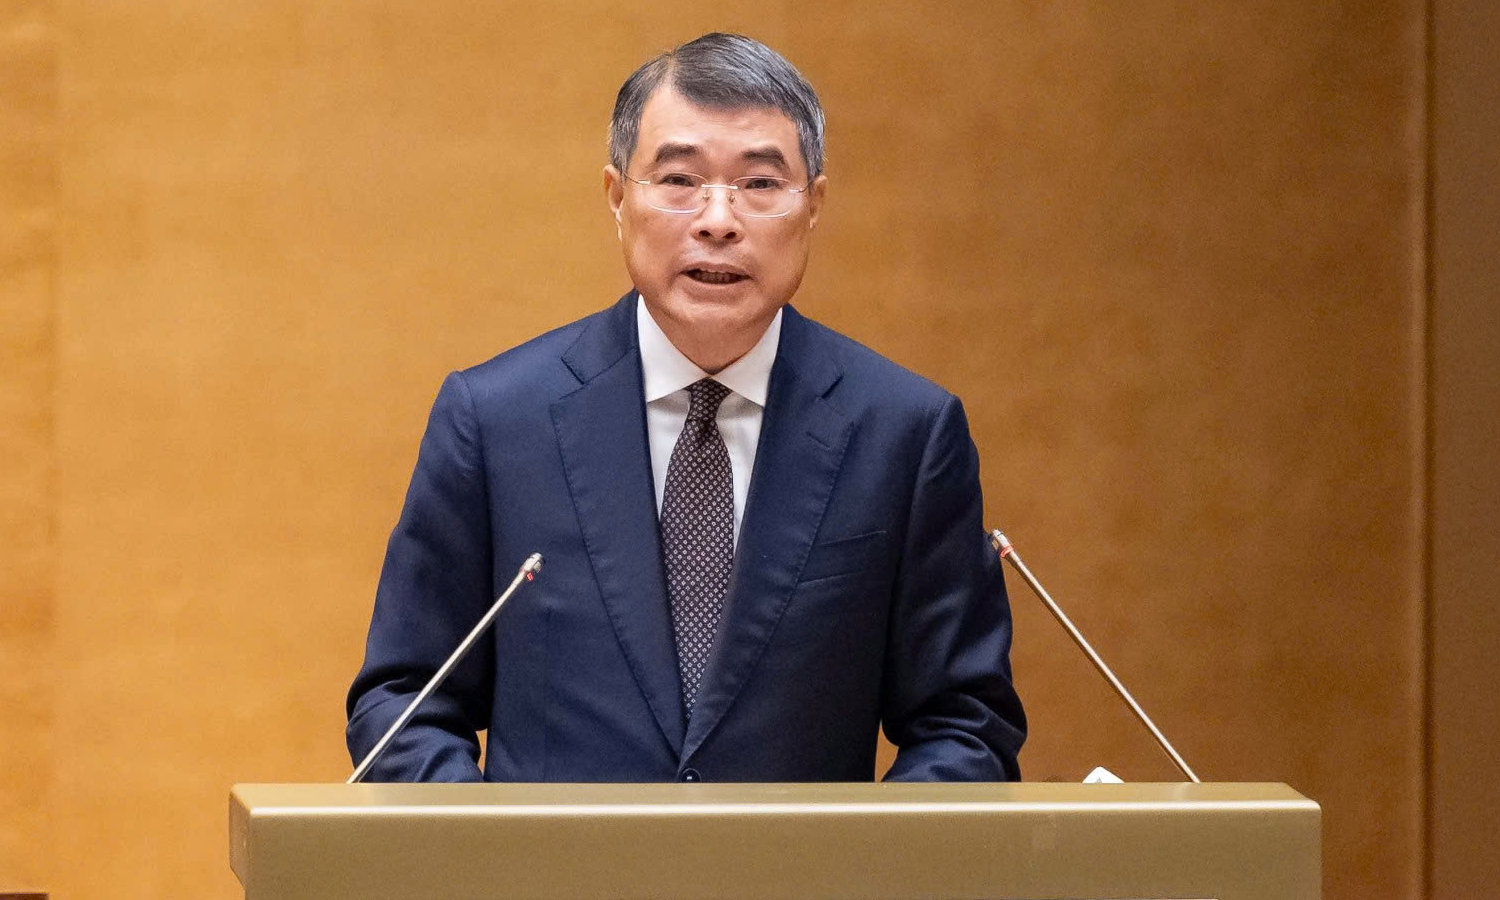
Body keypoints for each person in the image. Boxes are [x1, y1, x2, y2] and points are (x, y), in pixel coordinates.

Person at [346, 32, 1025, 783]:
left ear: (813, 206)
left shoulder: (905, 434)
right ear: (617, 197)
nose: (717, 220)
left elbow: (964, 724)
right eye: (679, 180)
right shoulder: (496, 419)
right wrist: (493, 846)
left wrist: (865, 851)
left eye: (760, 184)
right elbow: (403, 704)